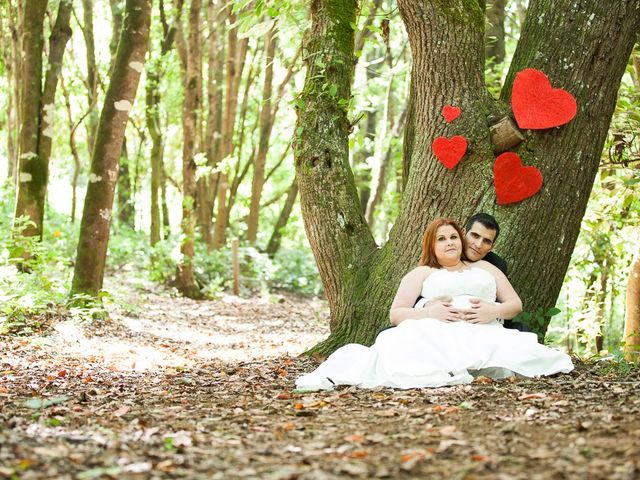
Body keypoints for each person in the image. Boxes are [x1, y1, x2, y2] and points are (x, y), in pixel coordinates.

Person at [295, 218, 573, 390]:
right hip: (434, 332)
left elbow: (515, 304)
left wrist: (494, 310)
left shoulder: (487, 269)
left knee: (536, 358)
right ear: (432, 245)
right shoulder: (422, 273)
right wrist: (428, 312)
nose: (450, 242)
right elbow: (396, 314)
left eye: (453, 236)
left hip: (484, 330)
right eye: (442, 238)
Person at [414, 212, 526, 331]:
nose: (478, 245)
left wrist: (492, 311)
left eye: (486, 241)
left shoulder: (494, 265)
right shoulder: (441, 254)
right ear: (463, 233)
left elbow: (512, 304)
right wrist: (427, 305)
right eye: (475, 236)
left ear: (491, 247)